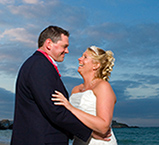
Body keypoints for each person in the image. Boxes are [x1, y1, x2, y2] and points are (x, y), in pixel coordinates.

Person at [10, 26, 93, 145]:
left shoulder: (37, 63)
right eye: (65, 46)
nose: (67, 51)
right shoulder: (40, 65)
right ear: (49, 44)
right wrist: (90, 132)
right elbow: (55, 110)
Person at [52, 46, 118, 145]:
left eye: (85, 57)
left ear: (95, 65)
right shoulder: (75, 89)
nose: (79, 59)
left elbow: (104, 126)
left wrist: (70, 108)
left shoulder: (103, 86)